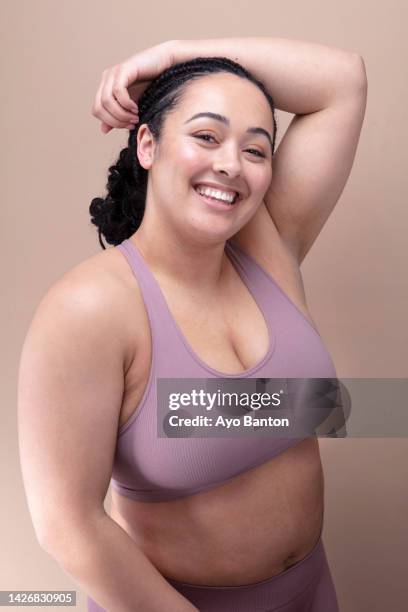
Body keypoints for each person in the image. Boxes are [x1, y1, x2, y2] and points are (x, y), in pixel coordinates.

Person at [18, 38, 367, 611]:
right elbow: (67, 525)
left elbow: (342, 80)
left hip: (311, 591)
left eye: (256, 150)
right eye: (206, 136)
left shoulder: (268, 247)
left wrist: (171, 55)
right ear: (148, 144)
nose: (231, 163)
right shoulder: (90, 307)